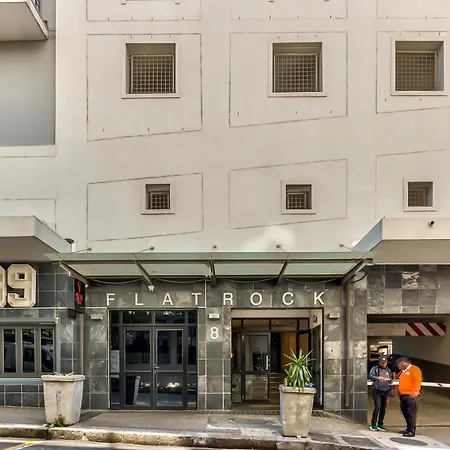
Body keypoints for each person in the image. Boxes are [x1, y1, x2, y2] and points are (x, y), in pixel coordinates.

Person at [397, 356, 422, 437]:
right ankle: (408, 428)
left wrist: (415, 392)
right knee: (405, 412)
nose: (398, 367)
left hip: (410, 395)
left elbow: (417, 381)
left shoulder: (415, 369)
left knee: (411, 413)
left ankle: (411, 430)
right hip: (403, 395)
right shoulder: (403, 371)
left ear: (403, 363)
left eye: (399, 365)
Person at [368, 355, 392, 431]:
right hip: (377, 390)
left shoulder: (388, 370)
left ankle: (380, 424)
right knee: (377, 407)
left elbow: (390, 380)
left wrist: (390, 391)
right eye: (382, 363)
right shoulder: (375, 369)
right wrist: (378, 378)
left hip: (386, 391)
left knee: (383, 408)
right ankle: (373, 424)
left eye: (385, 362)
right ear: (379, 363)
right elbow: (370, 376)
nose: (384, 364)